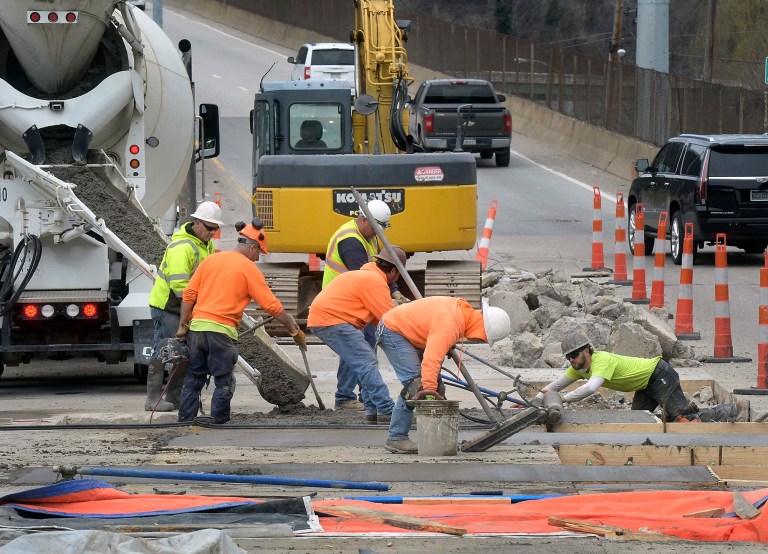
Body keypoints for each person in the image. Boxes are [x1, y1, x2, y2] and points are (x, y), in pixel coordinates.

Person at [176, 218, 306, 424]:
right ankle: (219, 422)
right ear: (252, 248)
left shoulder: (211, 260)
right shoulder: (248, 268)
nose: (257, 259)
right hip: (221, 332)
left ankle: (185, 420)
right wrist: (293, 328)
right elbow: (271, 306)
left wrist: (183, 325)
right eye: (258, 254)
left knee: (194, 378)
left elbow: (189, 294)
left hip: (197, 329)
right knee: (223, 381)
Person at [377, 297, 512, 454]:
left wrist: (434, 388)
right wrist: (428, 392)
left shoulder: (462, 314)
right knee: (417, 386)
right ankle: (396, 438)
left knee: (436, 386)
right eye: (484, 338)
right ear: (482, 328)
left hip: (409, 332)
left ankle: (435, 437)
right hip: (392, 330)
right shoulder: (449, 326)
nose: (480, 340)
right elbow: (431, 360)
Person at [537, 329, 739, 423]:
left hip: (659, 375)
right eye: (569, 357)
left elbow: (590, 388)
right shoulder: (578, 368)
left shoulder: (601, 360)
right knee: (637, 422)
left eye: (574, 355)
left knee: (685, 422)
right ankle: (682, 409)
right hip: (645, 385)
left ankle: (730, 410)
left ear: (586, 351)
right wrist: (535, 399)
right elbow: (555, 386)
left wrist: (562, 400)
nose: (571, 360)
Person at [323, 199, 409, 412]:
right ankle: (345, 397)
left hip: (355, 300)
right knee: (357, 347)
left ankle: (366, 396)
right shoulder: (350, 241)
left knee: (365, 345)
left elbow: (380, 267)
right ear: (363, 220)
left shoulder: (368, 236)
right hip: (342, 304)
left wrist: (395, 290)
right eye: (375, 228)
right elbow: (367, 277)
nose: (377, 233)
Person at [308, 247, 408, 424]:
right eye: (398, 274)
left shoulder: (367, 275)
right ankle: (386, 409)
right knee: (366, 361)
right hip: (333, 320)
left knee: (364, 361)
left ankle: (372, 410)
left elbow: (380, 321)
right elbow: (389, 318)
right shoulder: (375, 281)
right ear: (393, 271)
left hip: (328, 319)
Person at [144, 201, 222, 412]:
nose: (212, 233)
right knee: (164, 348)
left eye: (215, 229)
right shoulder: (182, 247)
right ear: (196, 223)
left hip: (187, 306)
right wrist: (190, 314)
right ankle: (152, 400)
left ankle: (175, 397)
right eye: (208, 228)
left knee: (185, 354)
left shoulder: (207, 246)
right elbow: (180, 287)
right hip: (169, 306)